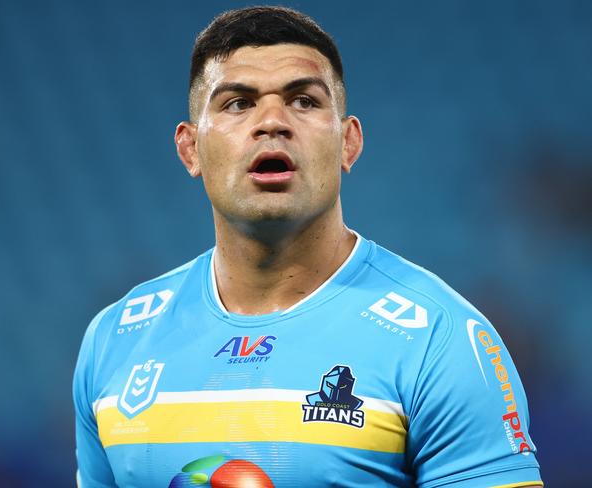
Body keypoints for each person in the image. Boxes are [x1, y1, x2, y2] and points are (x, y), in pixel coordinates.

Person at [73, 6, 542, 487]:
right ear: (190, 148)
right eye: (237, 103)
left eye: (303, 101)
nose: (272, 121)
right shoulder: (115, 340)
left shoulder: (440, 341)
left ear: (348, 142)